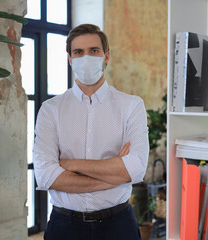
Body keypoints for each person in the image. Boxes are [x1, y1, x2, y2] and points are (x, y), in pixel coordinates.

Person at [33, 23, 149, 240]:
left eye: (94, 51)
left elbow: (136, 168)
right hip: (64, 226)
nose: (86, 57)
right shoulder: (51, 110)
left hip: (118, 225)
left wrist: (71, 164)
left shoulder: (131, 106)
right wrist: (114, 177)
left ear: (106, 56)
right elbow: (47, 176)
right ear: (70, 59)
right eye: (78, 52)